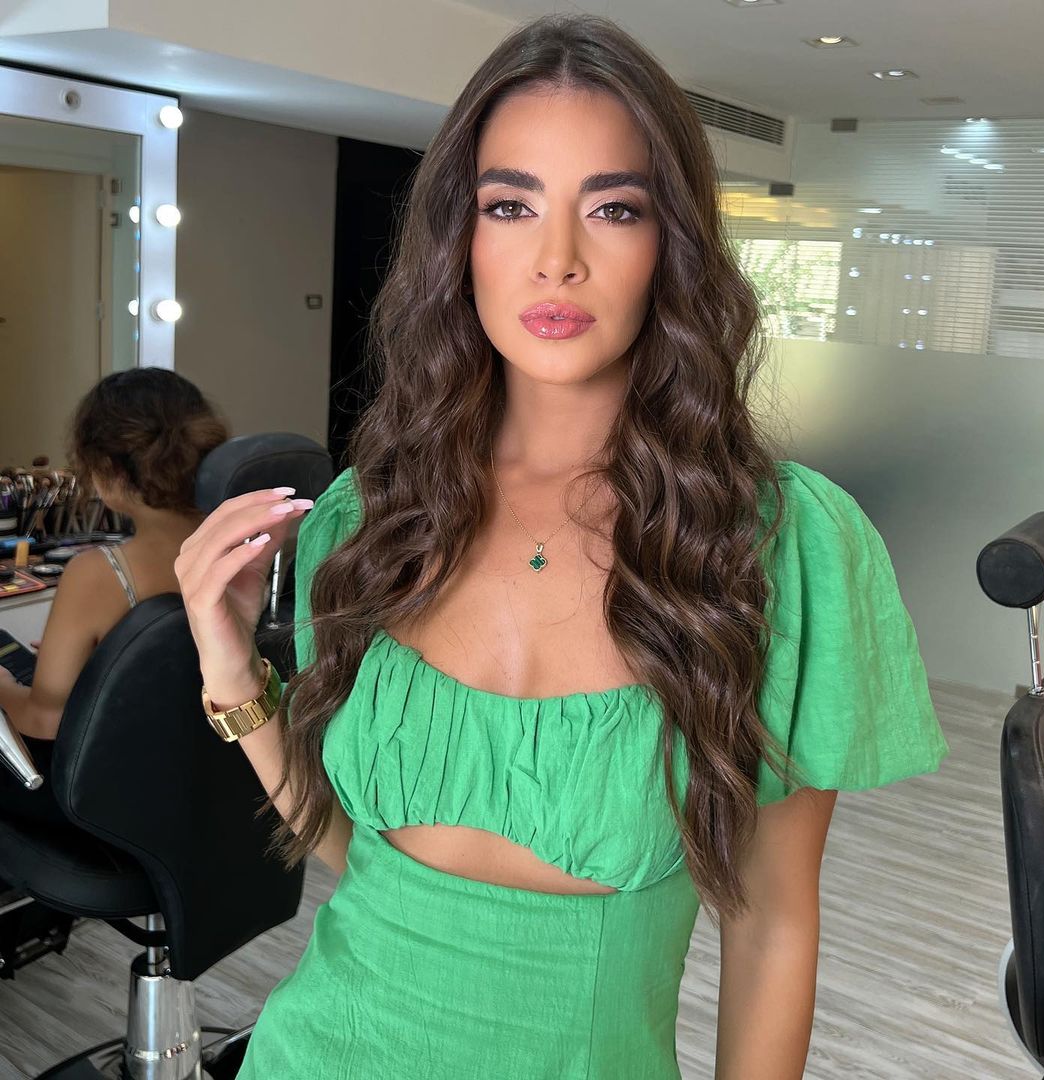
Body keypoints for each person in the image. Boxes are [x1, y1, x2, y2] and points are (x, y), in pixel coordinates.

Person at [175, 13, 949, 1079]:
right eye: (511, 205)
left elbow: (773, 925)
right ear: (462, 239)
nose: (557, 261)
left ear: (671, 246)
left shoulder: (779, 545)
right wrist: (231, 673)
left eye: (614, 209)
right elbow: (364, 857)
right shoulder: (369, 516)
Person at [0, 368, 228, 826]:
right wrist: (106, 666)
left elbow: (44, 720)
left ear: (105, 471)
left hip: (106, 799)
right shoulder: (245, 548)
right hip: (203, 785)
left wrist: (3, 687)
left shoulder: (100, 573)